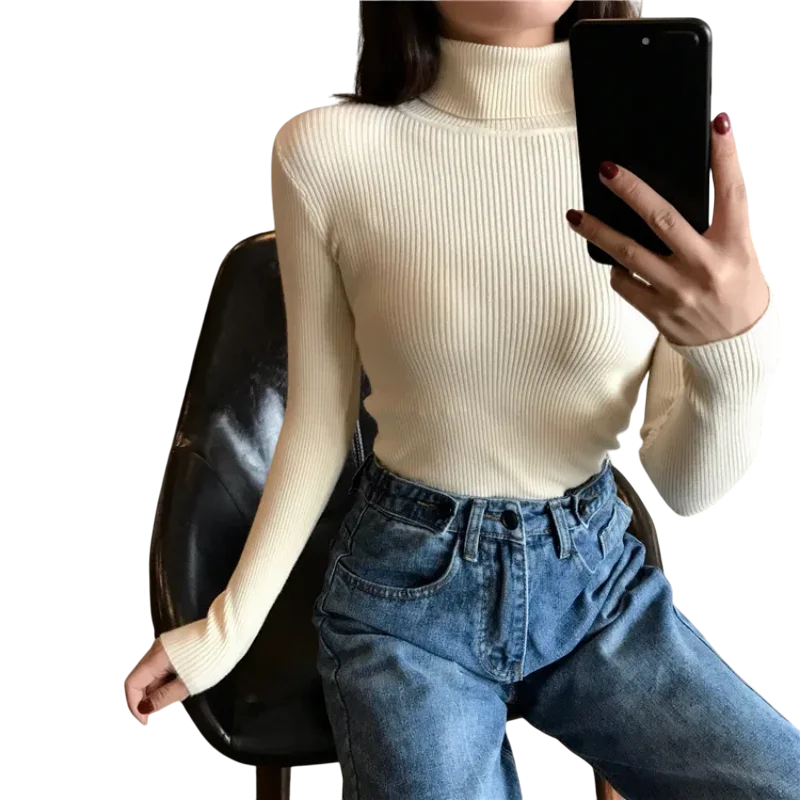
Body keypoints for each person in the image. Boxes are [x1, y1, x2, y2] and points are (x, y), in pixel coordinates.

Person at [125, 1, 798, 797]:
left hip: (594, 588)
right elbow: (317, 425)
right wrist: (222, 633)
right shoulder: (327, 153)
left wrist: (736, 348)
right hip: (404, 602)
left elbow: (687, 485)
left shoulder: (650, 148)